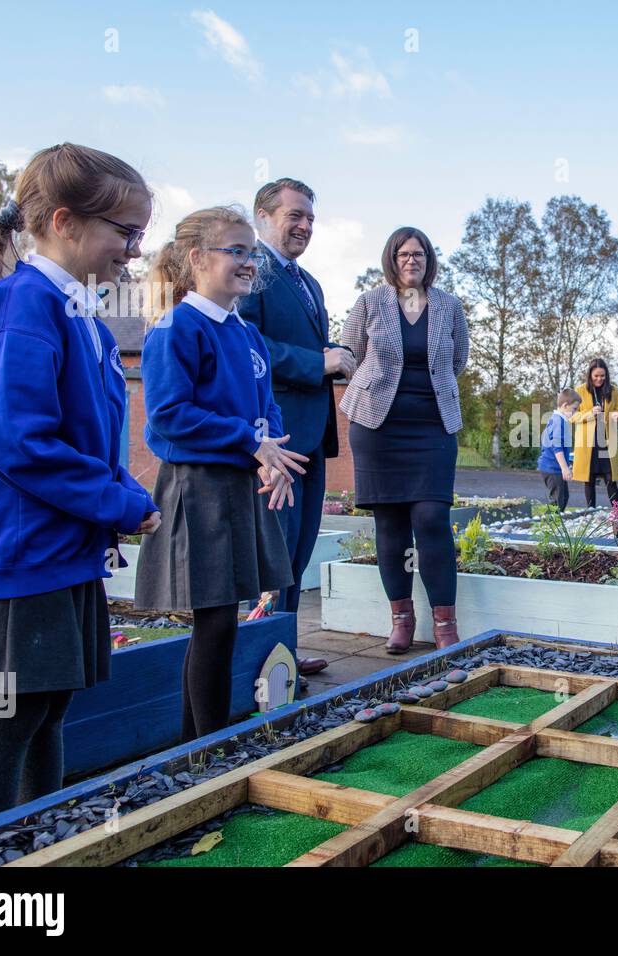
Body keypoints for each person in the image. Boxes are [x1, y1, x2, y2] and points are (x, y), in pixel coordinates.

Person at [0, 144, 159, 825]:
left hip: (57, 549)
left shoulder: (80, 313)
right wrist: (117, 501)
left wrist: (122, 493)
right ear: (65, 222)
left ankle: (43, 844)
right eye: (126, 233)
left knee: (50, 708)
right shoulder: (21, 308)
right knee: (12, 720)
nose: (134, 250)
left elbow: (84, 437)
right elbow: (18, 441)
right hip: (18, 553)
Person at [136, 206, 303, 742]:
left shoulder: (248, 335)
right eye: (236, 250)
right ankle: (204, 749)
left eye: (252, 252)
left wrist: (273, 455)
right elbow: (168, 416)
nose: (250, 261)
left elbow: (267, 407)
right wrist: (249, 441)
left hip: (242, 486)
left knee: (226, 622)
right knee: (213, 624)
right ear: (197, 258)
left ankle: (201, 746)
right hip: (200, 491)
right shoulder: (176, 328)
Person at [338, 227, 468, 654]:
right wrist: (374, 389)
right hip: (378, 429)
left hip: (433, 427)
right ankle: (401, 620)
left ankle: (445, 623)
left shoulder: (449, 306)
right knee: (389, 523)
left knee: (431, 518)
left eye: (418, 254)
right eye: (402, 254)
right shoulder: (370, 302)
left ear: (429, 259)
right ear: (391, 260)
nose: (411, 260)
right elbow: (348, 355)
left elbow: (458, 359)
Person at [238, 178, 345, 678]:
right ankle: (261, 659)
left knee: (297, 551)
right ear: (262, 217)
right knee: (273, 553)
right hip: (275, 440)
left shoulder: (309, 282)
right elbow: (246, 346)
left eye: (310, 219)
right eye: (293, 216)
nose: (303, 226)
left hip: (311, 435)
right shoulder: (250, 272)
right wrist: (318, 362)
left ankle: (284, 648)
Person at [571, 358, 618, 509]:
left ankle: (617, 512)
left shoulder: (613, 391)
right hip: (588, 442)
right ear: (590, 375)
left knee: (610, 478)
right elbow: (572, 416)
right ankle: (590, 512)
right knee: (589, 479)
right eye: (596, 376)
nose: (599, 379)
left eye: (602, 376)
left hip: (607, 440)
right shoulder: (579, 391)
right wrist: (589, 414)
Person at [538, 388, 581, 510]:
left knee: (563, 497)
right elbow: (557, 447)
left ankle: (553, 525)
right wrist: (564, 468)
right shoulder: (558, 421)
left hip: (554, 467)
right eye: (574, 409)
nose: (575, 412)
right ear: (565, 405)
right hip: (552, 468)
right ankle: (548, 526)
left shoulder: (558, 419)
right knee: (557, 502)